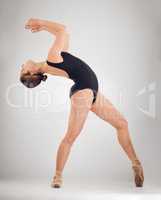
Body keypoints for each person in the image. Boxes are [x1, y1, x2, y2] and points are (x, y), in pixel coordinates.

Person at [20, 18, 144, 188]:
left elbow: (64, 34)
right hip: (83, 91)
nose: (22, 65)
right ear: (31, 71)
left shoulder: (52, 60)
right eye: (22, 68)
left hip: (92, 92)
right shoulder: (52, 58)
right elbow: (62, 29)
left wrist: (43, 27)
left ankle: (136, 163)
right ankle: (57, 177)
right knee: (70, 137)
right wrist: (40, 23)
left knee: (122, 124)